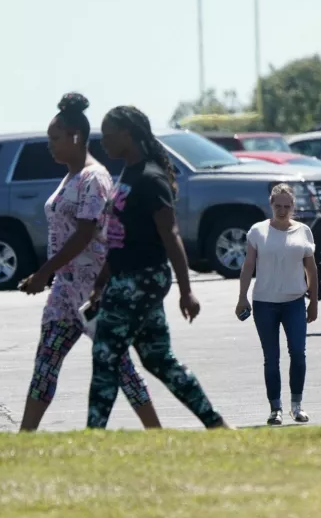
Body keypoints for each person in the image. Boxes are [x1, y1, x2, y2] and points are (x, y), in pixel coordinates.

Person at [17, 93, 160, 431]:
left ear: (75, 137)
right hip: (64, 294)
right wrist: (52, 278)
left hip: (95, 292)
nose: (49, 146)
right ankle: (22, 438)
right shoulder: (70, 177)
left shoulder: (93, 179)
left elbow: (85, 233)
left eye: (55, 139)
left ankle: (157, 434)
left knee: (120, 366)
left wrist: (42, 273)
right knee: (45, 364)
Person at [87, 105, 228, 430]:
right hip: (124, 277)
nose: (103, 142)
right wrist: (101, 282)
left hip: (144, 278)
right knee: (157, 358)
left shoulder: (150, 179)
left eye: (108, 135)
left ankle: (92, 434)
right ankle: (215, 423)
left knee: (105, 353)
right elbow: (122, 237)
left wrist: (186, 291)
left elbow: (171, 234)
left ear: (128, 134)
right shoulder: (129, 173)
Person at [236, 184, 318, 426]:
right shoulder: (258, 231)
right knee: (271, 357)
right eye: (278, 206)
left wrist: (313, 301)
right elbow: (248, 266)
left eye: (287, 206)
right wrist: (242, 296)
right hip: (264, 303)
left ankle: (296, 405)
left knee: (298, 354)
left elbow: (311, 269)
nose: (282, 210)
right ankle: (275, 408)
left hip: (294, 302)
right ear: (271, 205)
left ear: (294, 207)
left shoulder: (303, 231)